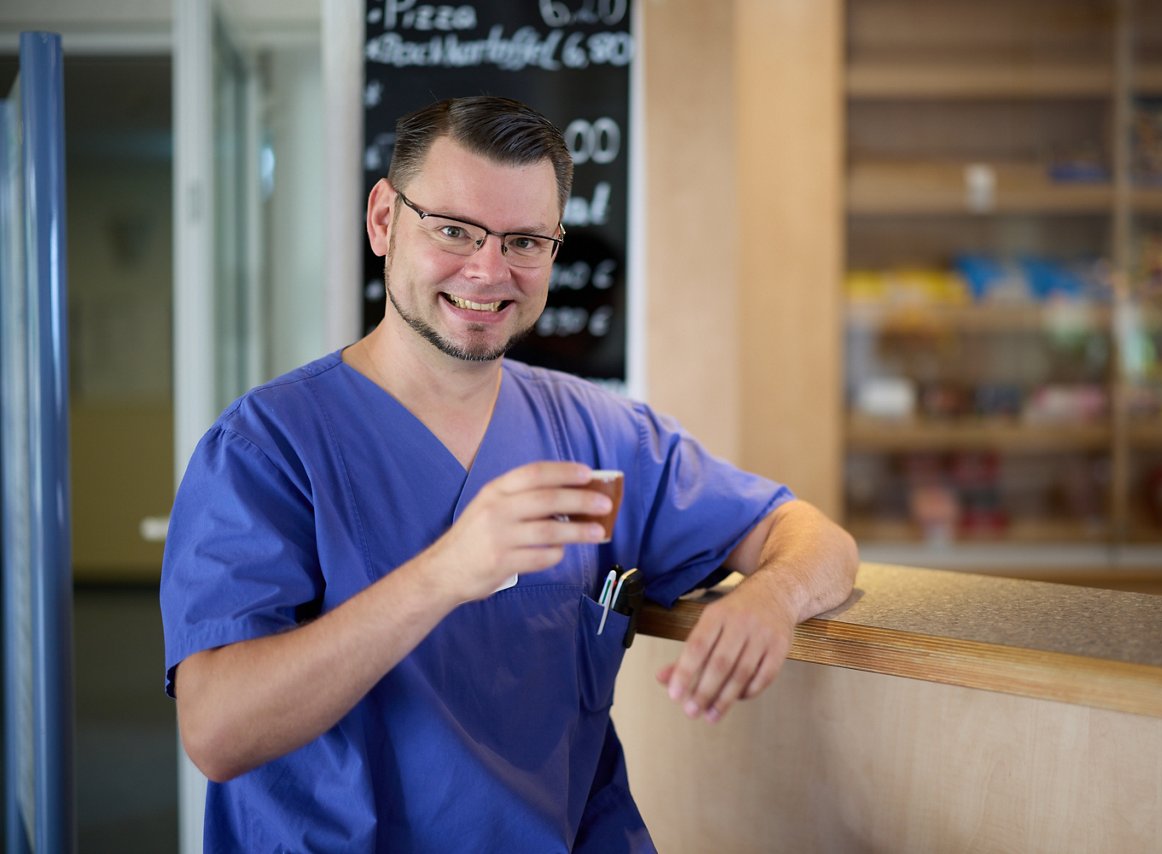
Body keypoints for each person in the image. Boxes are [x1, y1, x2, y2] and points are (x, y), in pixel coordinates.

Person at [160, 95, 858, 852]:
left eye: (525, 241)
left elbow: (813, 538)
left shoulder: (598, 433)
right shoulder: (267, 448)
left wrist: (772, 600)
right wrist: (445, 573)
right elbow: (217, 730)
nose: (489, 271)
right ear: (384, 220)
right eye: (454, 229)